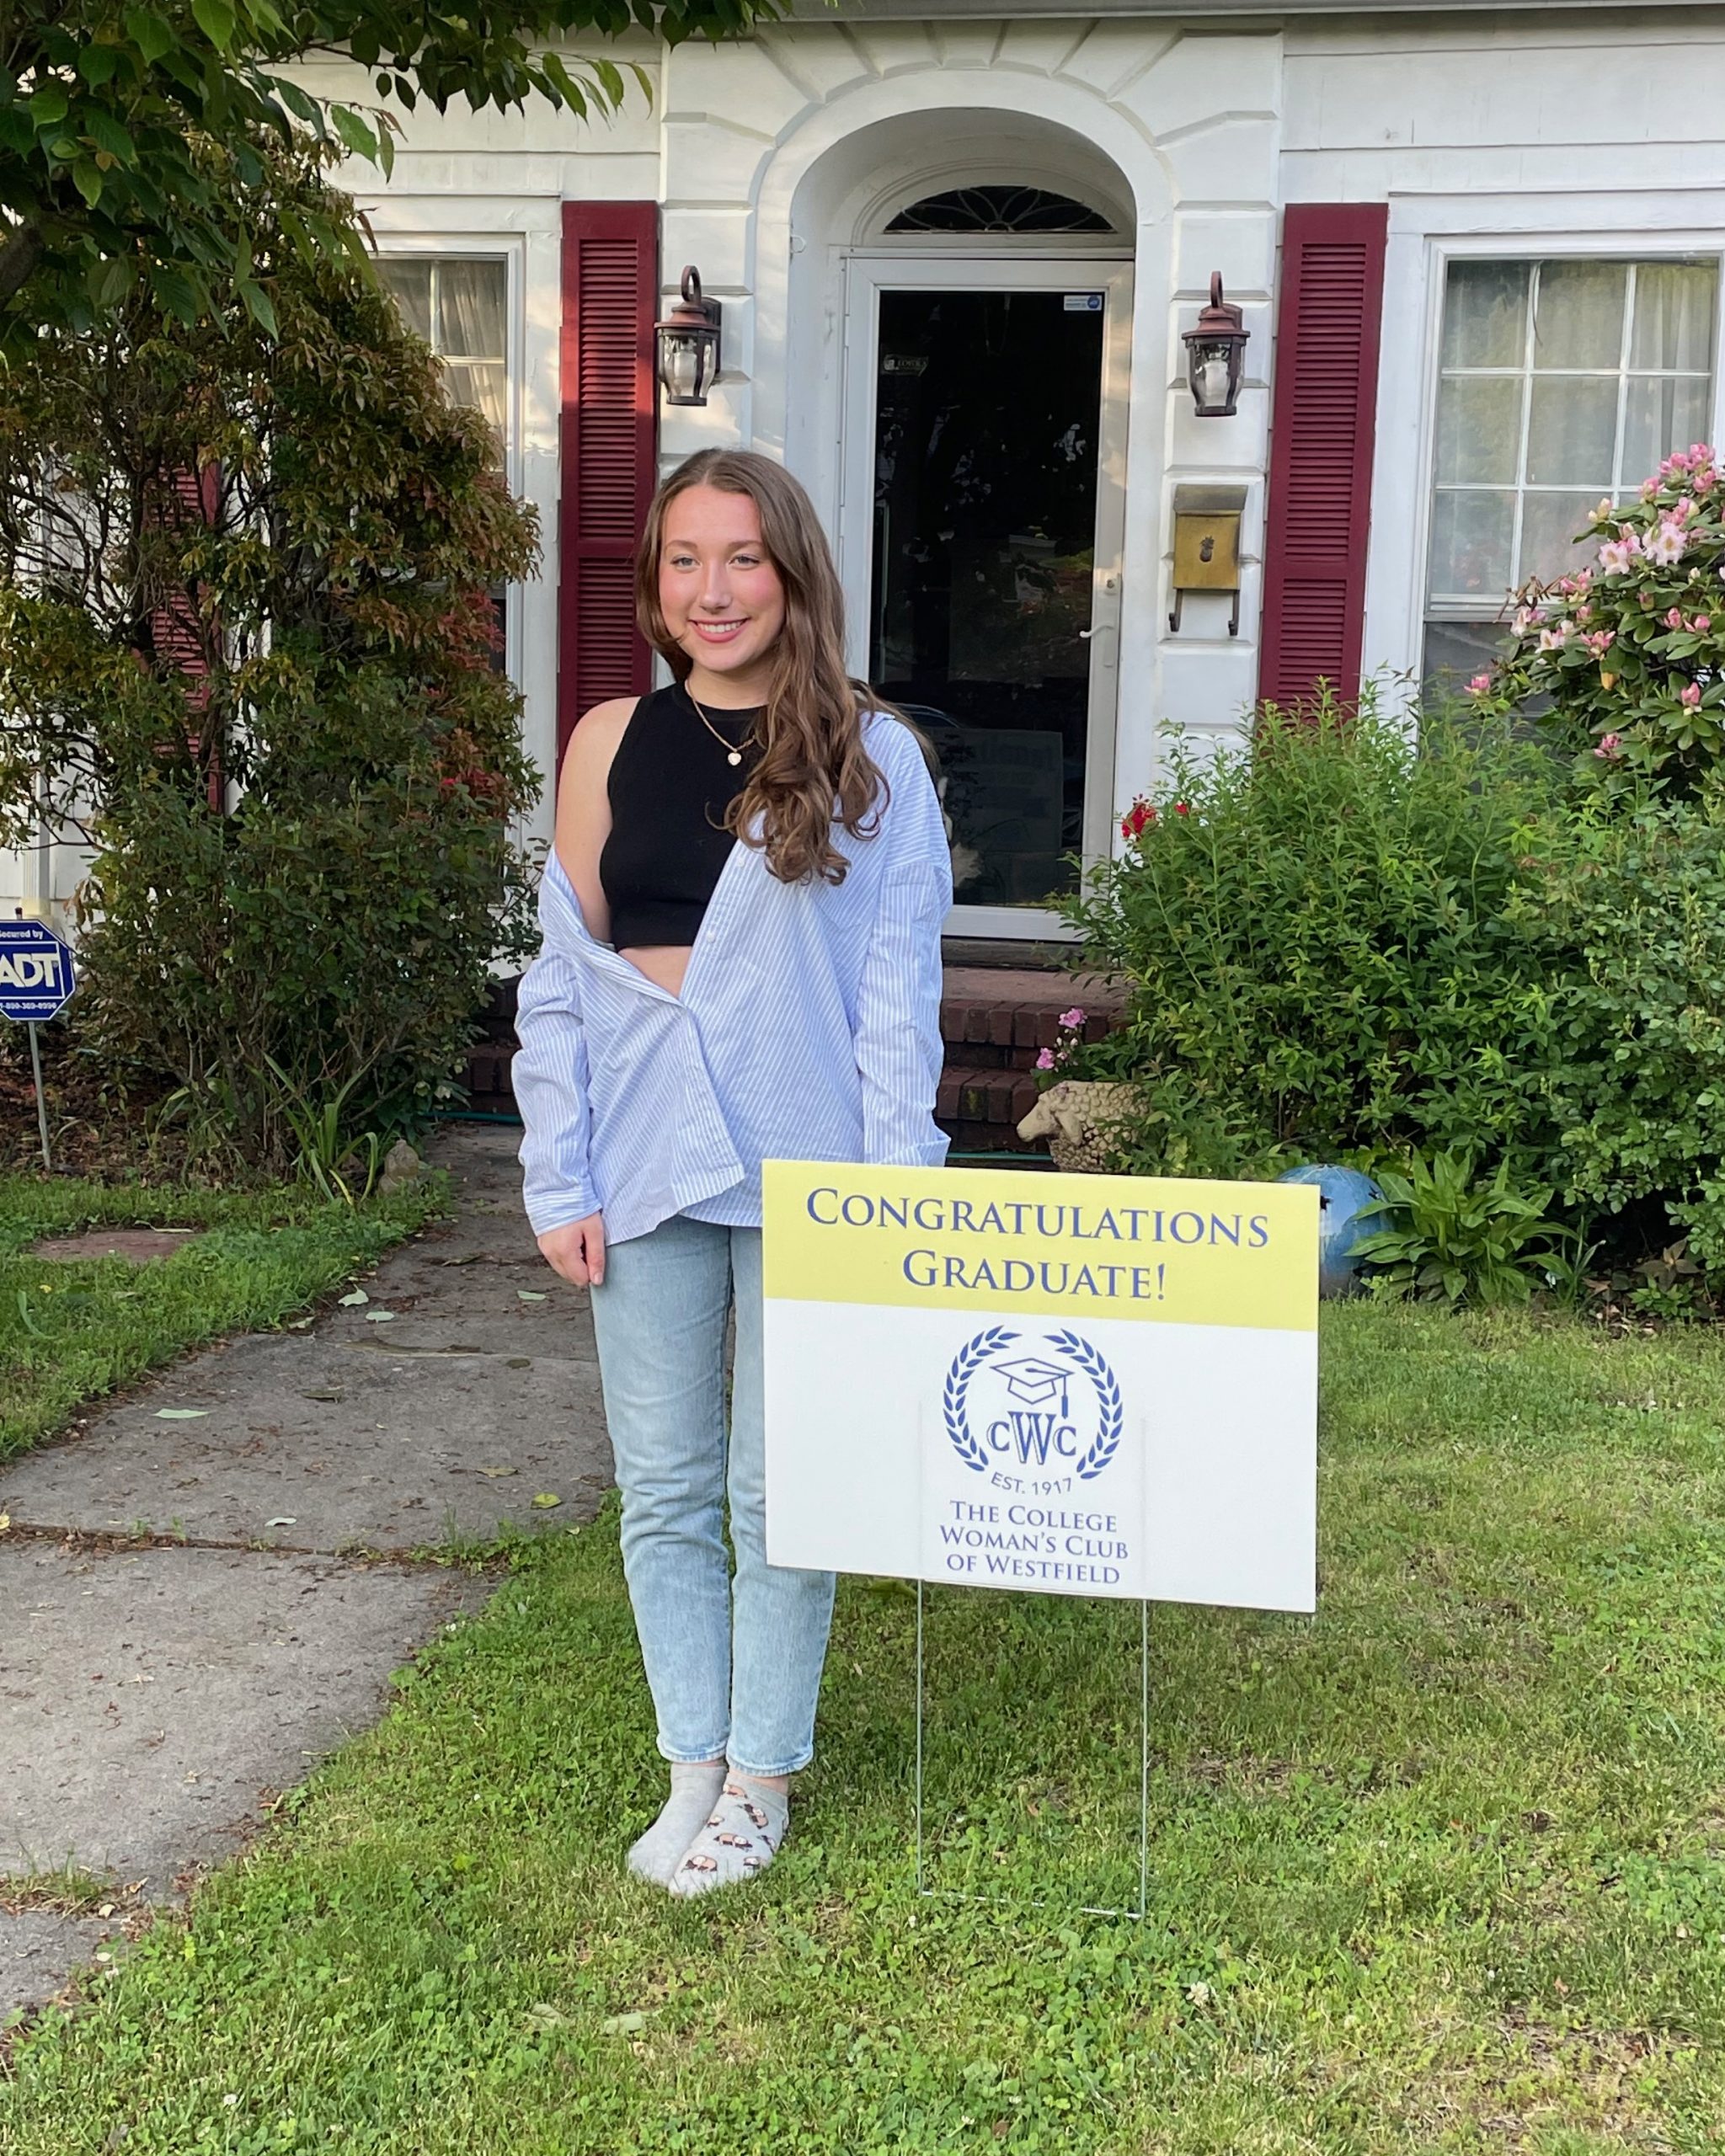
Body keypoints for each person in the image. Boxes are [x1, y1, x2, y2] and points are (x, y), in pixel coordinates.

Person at [514, 448, 951, 1897]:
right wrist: (558, 1173)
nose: (714, 590)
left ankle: (761, 1777)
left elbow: (893, 999)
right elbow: (561, 981)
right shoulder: (605, 741)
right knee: (663, 1485)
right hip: (643, 1164)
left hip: (809, 1171)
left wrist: (899, 1201)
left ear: (793, 572)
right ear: (656, 580)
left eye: (744, 557)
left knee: (782, 1492)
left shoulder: (871, 756)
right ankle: (690, 1760)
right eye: (685, 558)